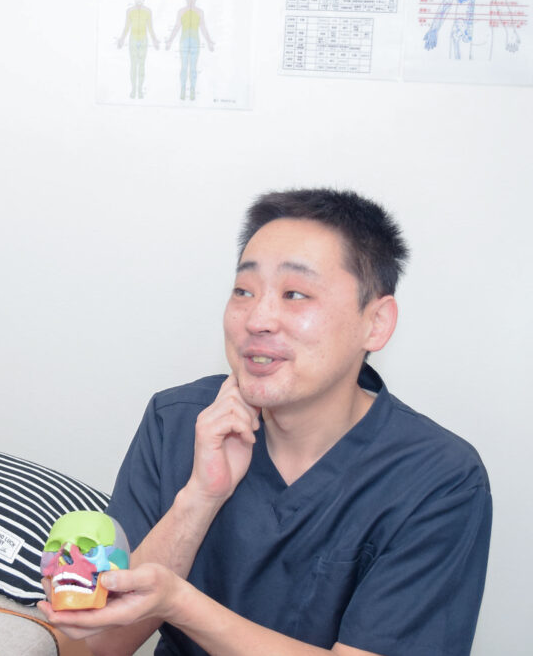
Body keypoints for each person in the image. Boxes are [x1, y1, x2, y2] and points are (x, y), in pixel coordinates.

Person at [39, 189, 492, 655]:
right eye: (243, 291)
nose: (258, 319)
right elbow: (93, 648)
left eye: (295, 294)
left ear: (375, 323)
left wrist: (181, 603)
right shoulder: (177, 420)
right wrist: (199, 499)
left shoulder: (439, 478)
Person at [164, 0, 215, 101]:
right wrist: (170, 41)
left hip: (195, 42)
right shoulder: (181, 11)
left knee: (193, 68)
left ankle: (192, 90)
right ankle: (183, 89)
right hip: (184, 41)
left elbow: (203, 27)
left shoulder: (200, 12)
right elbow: (177, 26)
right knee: (183, 67)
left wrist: (209, 41)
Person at [117, 0, 160, 99]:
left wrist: (155, 40)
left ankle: (140, 90)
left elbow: (150, 27)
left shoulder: (148, 11)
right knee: (133, 65)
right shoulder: (129, 11)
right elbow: (126, 27)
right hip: (133, 40)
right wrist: (121, 39)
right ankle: (133, 90)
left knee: (141, 65)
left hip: (144, 40)